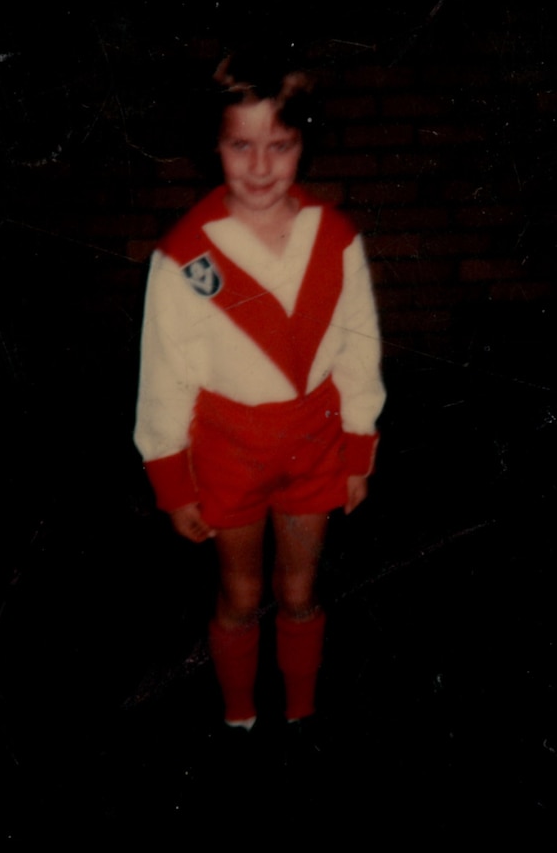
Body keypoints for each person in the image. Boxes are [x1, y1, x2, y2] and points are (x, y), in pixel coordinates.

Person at [133, 47, 386, 742]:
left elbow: (360, 351)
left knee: (299, 592)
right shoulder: (186, 256)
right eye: (241, 145)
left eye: (281, 144)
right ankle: (238, 717)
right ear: (213, 146)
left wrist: (359, 448)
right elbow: (164, 375)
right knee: (241, 594)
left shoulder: (335, 241)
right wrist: (171, 478)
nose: (261, 166)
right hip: (226, 451)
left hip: (313, 444)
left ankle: (301, 713)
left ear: (304, 144)